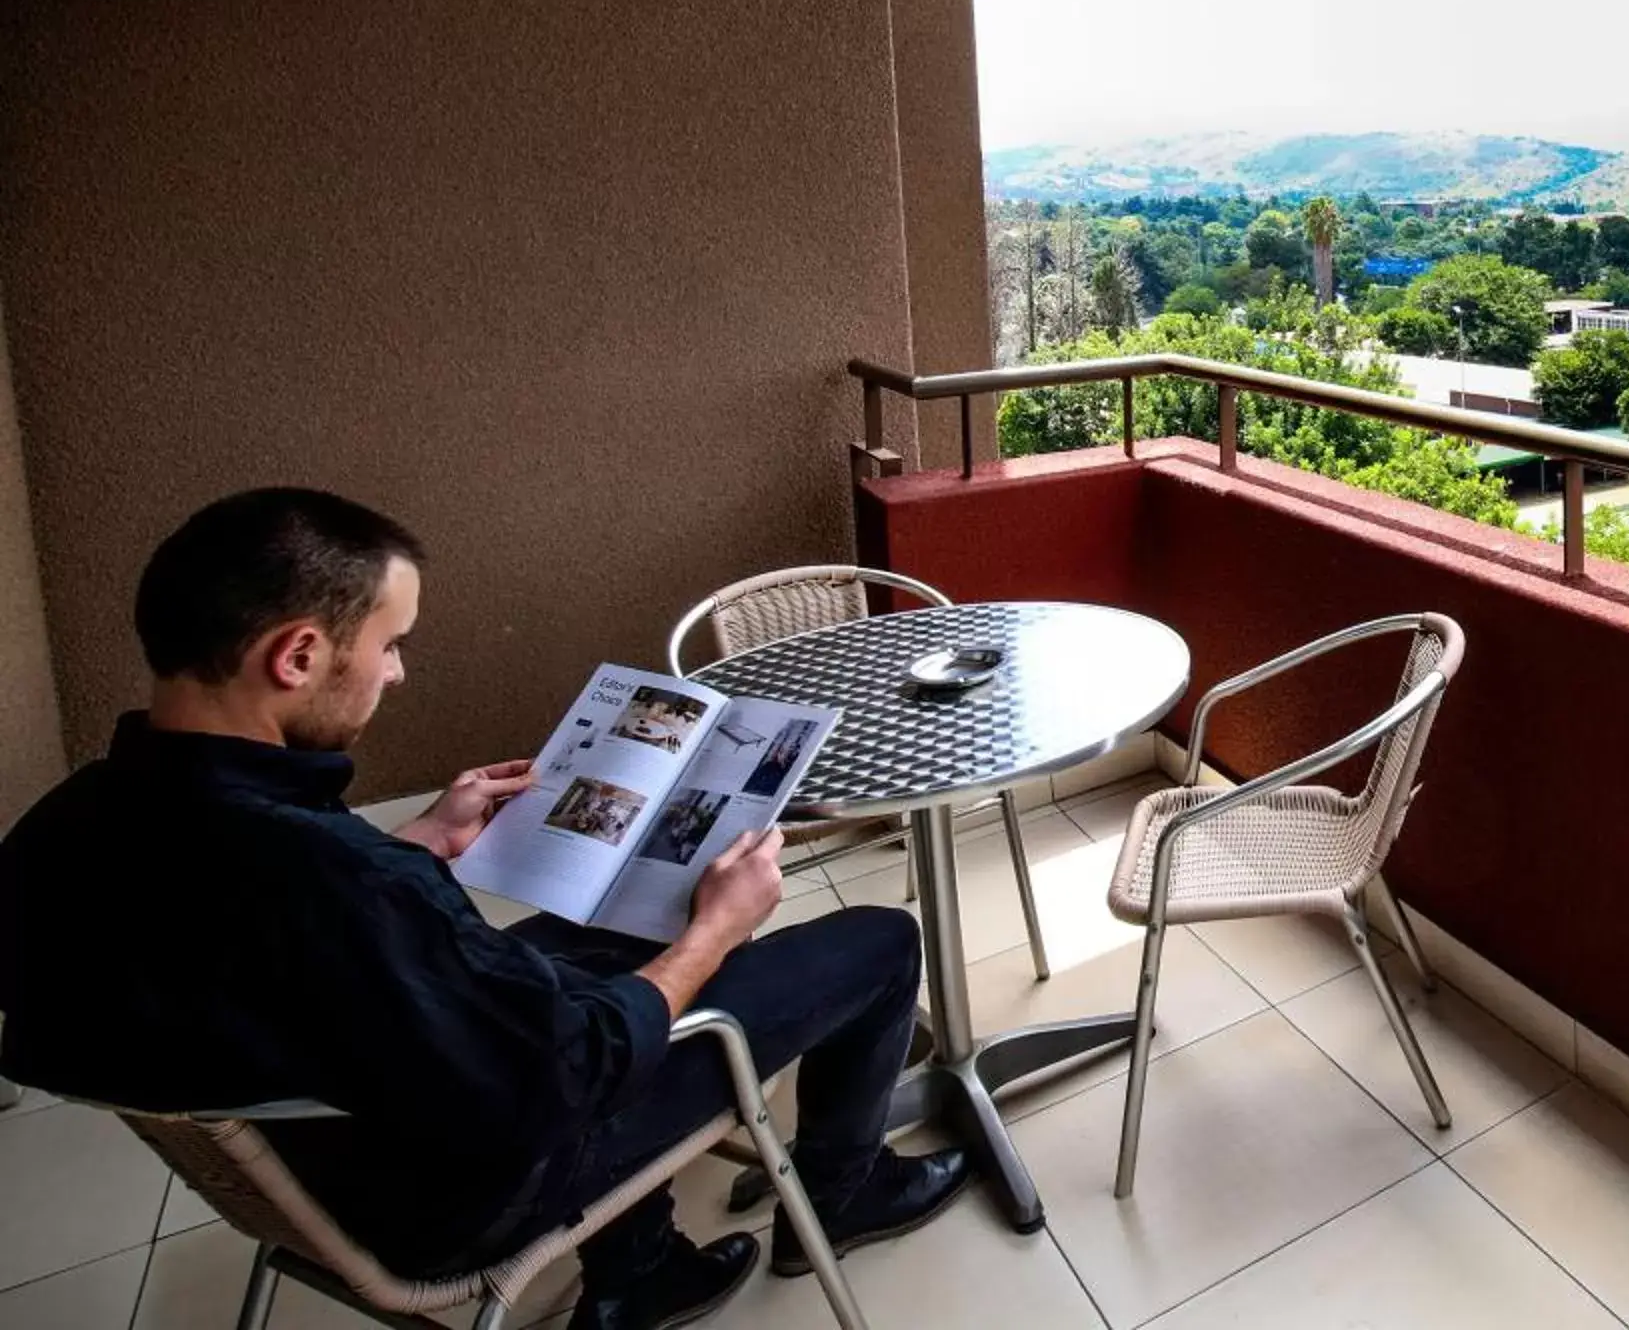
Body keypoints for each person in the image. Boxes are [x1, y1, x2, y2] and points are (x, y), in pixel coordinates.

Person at [0, 489, 970, 1330]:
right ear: (297, 653)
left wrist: (419, 838)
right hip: (474, 1174)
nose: (396, 672)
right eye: (389, 643)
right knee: (879, 940)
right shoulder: (340, 882)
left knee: (619, 926)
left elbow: (244, 930)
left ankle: (639, 1274)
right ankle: (846, 1191)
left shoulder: (66, 828)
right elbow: (574, 1065)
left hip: (347, 1140)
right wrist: (716, 928)